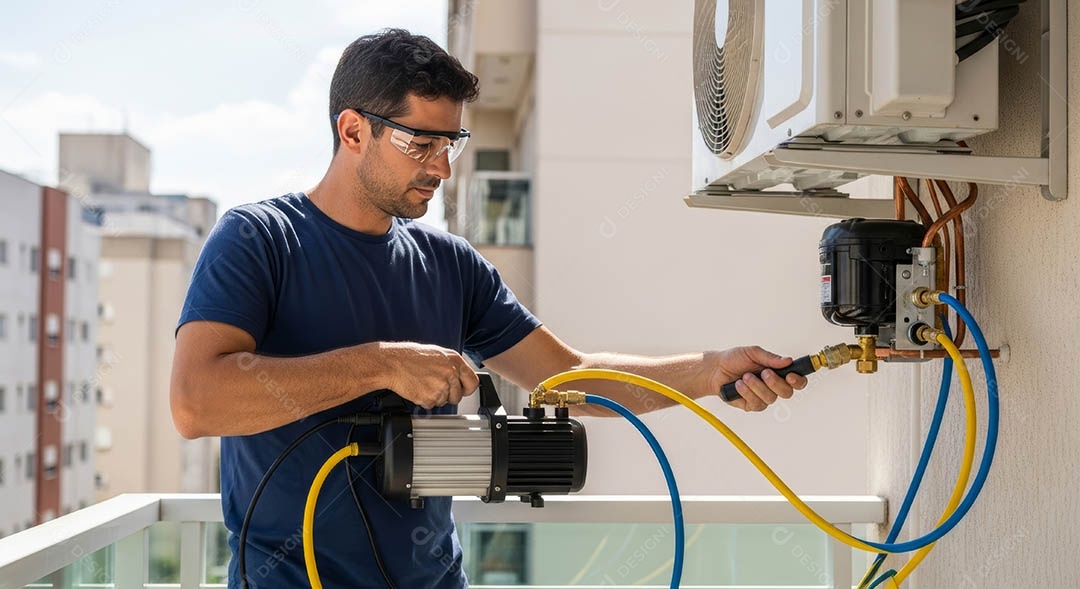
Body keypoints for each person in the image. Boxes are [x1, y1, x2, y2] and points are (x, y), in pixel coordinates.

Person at [170, 28, 808, 589]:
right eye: (421, 143)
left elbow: (571, 379)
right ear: (353, 130)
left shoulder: (450, 264)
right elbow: (197, 403)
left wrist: (709, 370)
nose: (443, 167)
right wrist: (379, 365)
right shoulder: (260, 240)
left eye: (452, 143)